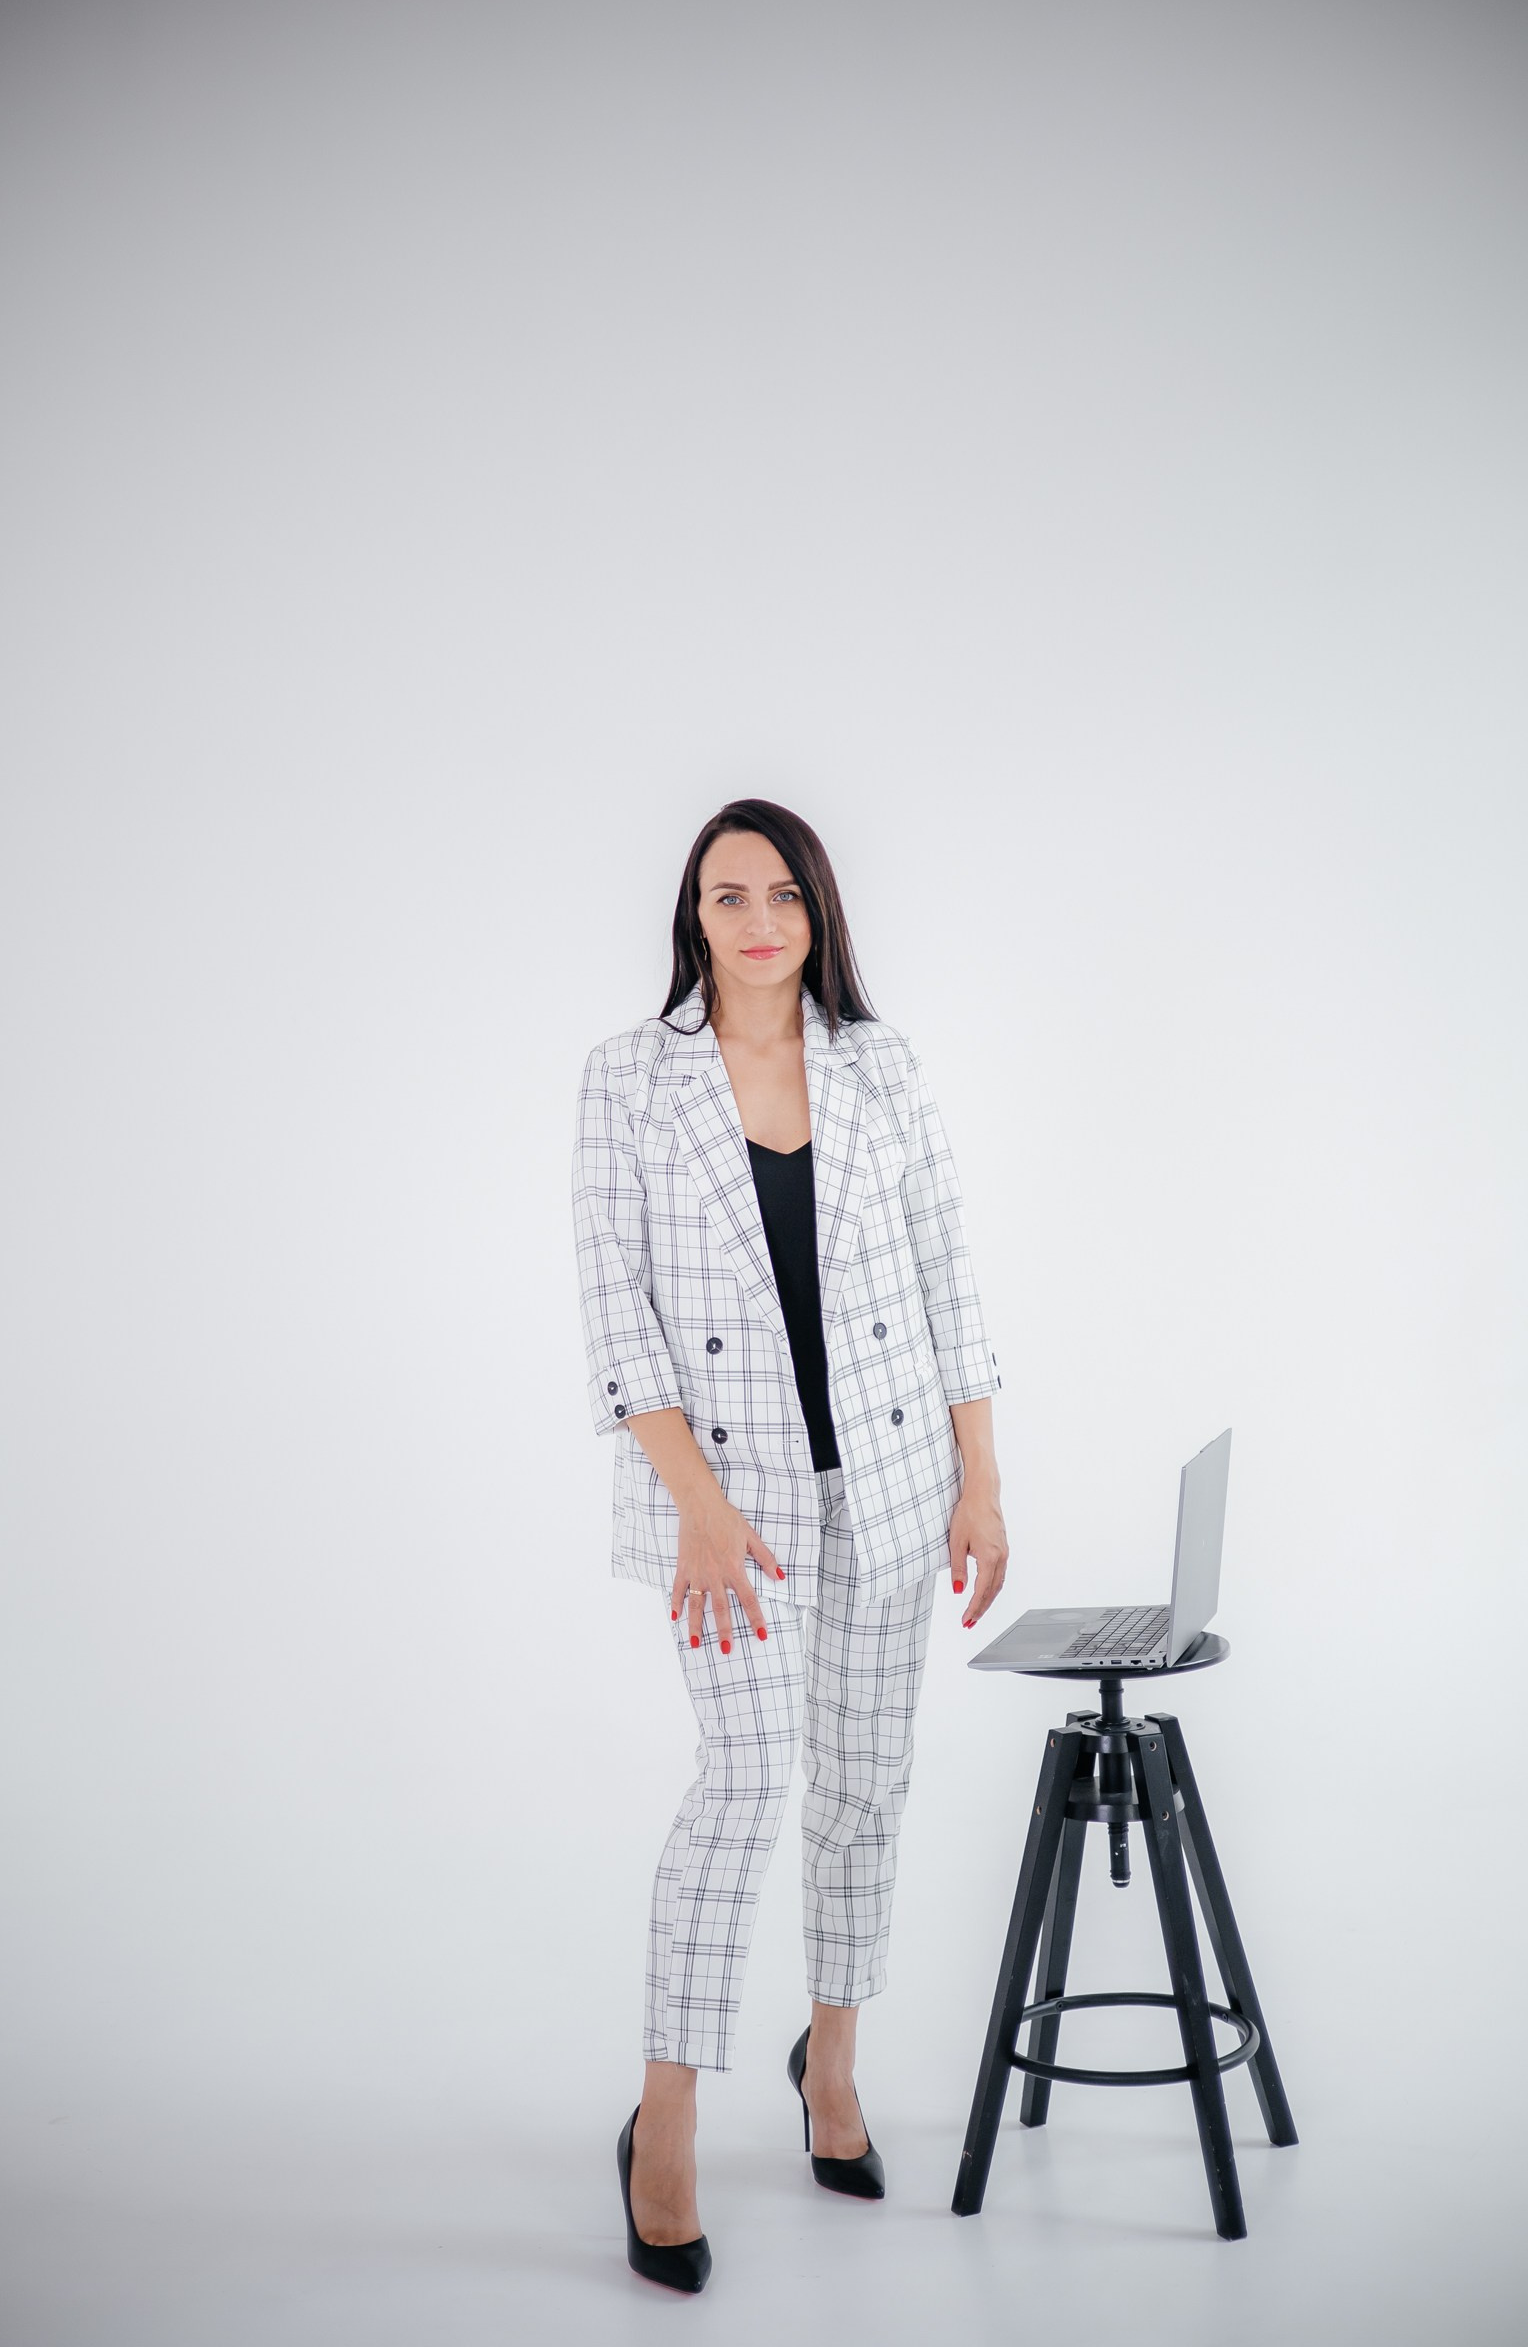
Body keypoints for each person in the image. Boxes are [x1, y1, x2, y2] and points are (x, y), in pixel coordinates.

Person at [571, 798, 1010, 2293]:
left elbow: (952, 1273)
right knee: (749, 1781)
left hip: (888, 1484)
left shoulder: (881, 1066)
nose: (757, 921)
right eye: (727, 895)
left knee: (864, 1785)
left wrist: (981, 1478)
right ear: (692, 916)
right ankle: (666, 2121)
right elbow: (616, 1311)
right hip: (727, 1512)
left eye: (782, 895)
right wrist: (696, 1506)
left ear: (819, 912)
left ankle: (830, 2066)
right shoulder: (631, 1078)